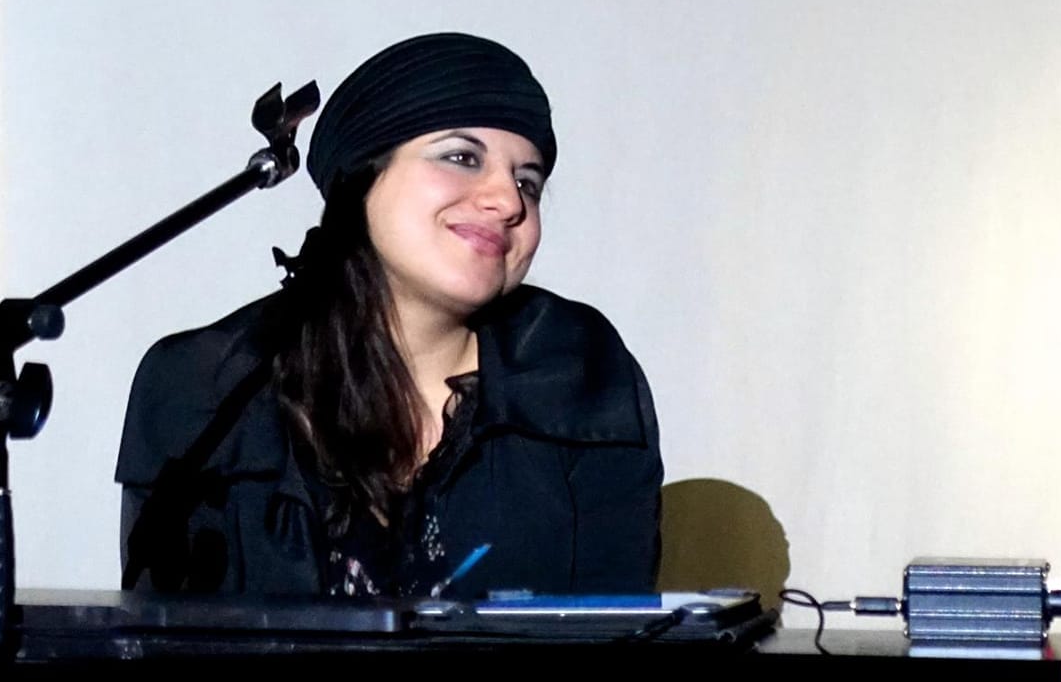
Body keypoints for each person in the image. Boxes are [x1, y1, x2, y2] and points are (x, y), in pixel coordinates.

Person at [115, 32, 663, 599]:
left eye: (529, 180)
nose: (509, 200)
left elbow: (617, 628)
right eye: (461, 157)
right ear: (361, 178)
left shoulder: (578, 369)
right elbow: (159, 637)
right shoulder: (204, 388)